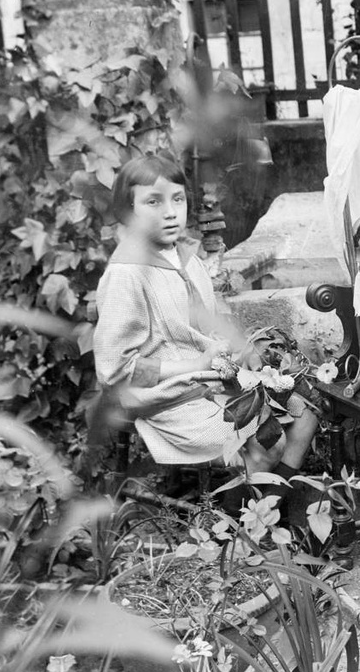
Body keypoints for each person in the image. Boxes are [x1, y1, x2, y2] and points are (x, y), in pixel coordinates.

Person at [93, 153, 318, 504]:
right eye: (153, 201)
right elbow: (115, 372)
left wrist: (241, 353)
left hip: (212, 382)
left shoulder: (186, 260)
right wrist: (195, 365)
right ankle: (245, 526)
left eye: (177, 199)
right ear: (130, 210)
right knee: (266, 443)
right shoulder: (127, 273)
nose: (170, 212)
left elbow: (197, 331)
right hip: (168, 398)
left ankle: (265, 512)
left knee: (305, 412)